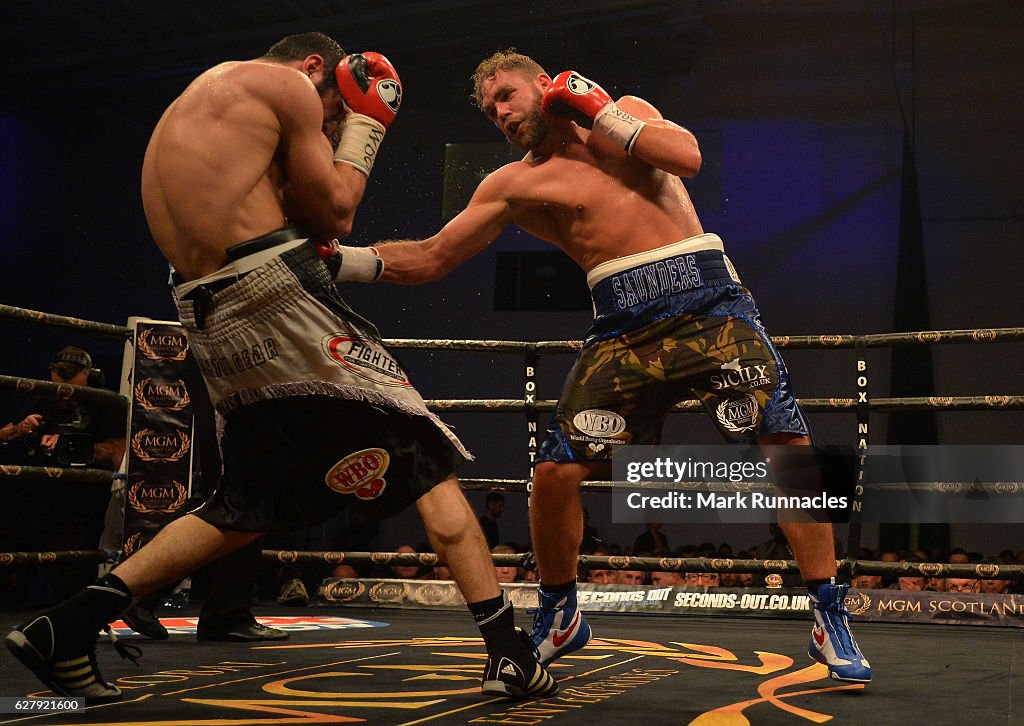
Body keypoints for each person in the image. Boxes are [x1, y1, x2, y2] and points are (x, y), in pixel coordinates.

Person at [4, 34, 554, 704]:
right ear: (314, 67)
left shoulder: (196, 104)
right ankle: (509, 652)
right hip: (275, 293)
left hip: (205, 311)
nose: (322, 130)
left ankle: (68, 626)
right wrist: (364, 125)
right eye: (326, 117)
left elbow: (286, 208)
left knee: (246, 505)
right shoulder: (288, 86)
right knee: (426, 456)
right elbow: (337, 211)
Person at [337, 49, 870, 683]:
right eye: (489, 109)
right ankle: (560, 611)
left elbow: (688, 159)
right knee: (556, 473)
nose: (500, 113)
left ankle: (829, 613)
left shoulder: (623, 117)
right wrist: (331, 259)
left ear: (543, 84)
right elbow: (431, 257)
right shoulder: (513, 182)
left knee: (789, 445)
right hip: (622, 325)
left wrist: (602, 114)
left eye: (507, 95)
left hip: (710, 302)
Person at [0, 347, 126, 602]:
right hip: (34, 502)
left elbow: (117, 455)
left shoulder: (106, 402)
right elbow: (4, 432)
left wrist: (75, 446)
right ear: (51, 374)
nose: (65, 392)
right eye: (60, 383)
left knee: (73, 593)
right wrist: (20, 430)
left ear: (89, 375)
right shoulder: (45, 398)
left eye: (72, 384)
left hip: (78, 513)